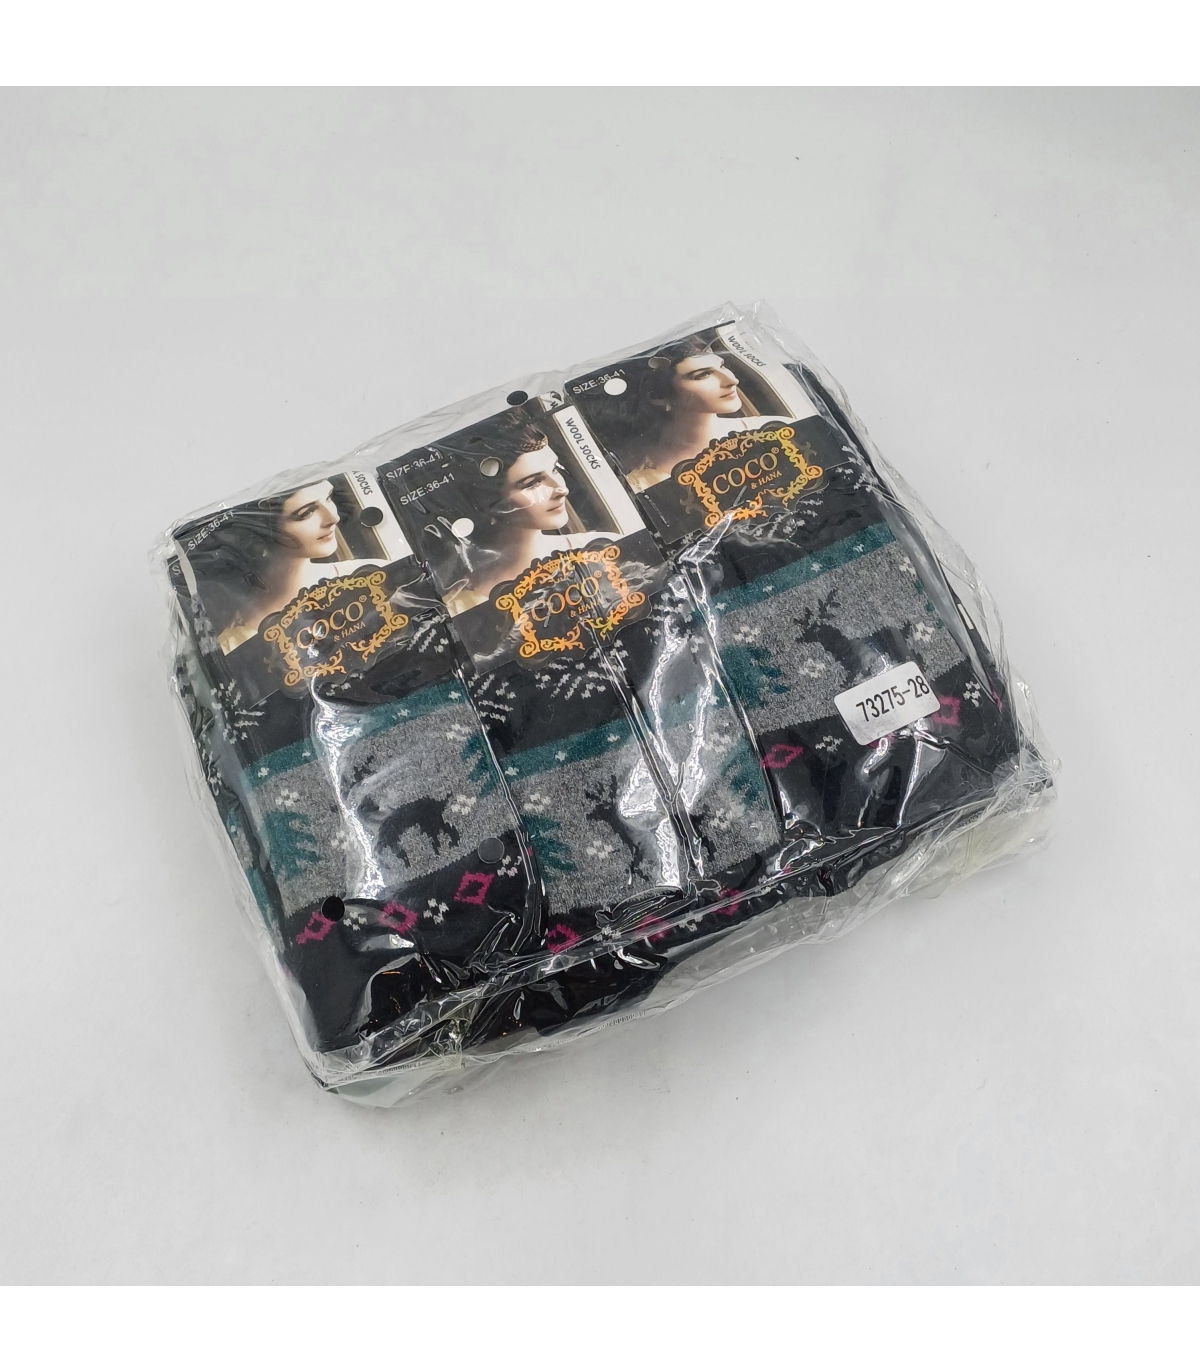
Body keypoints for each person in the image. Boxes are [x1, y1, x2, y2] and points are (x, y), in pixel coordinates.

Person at [427, 413, 618, 615]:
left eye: (555, 469)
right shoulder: (462, 606)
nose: (561, 489)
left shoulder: (604, 549)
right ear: (487, 502)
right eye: (533, 483)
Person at [189, 480, 382, 653]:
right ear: (264, 531)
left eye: (329, 498)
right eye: (307, 513)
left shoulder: (373, 576)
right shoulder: (232, 644)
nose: (333, 517)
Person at [619, 337, 792, 493]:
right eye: (703, 375)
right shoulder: (643, 485)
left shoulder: (778, 430)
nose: (732, 381)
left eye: (722, 366)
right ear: (658, 396)